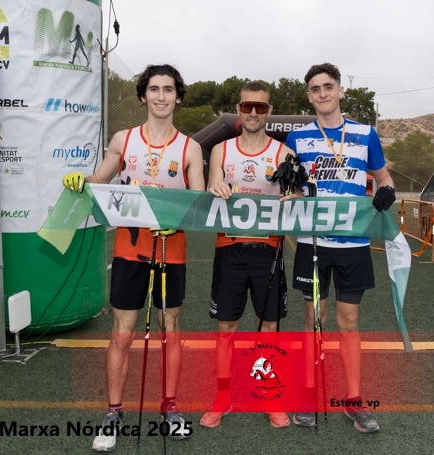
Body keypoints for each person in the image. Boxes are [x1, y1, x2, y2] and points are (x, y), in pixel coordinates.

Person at [62, 64, 205, 451]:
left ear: (178, 96)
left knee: (169, 328)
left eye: (169, 90)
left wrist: (174, 221)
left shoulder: (190, 147)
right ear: (143, 96)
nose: (161, 96)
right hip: (130, 248)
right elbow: (100, 179)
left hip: (171, 249)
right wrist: (80, 180)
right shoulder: (124, 139)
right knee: (122, 333)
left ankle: (171, 408)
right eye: (154, 89)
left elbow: (199, 205)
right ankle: (113, 412)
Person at [284, 63, 396, 433]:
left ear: (340, 90)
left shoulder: (366, 133)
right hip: (312, 242)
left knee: (349, 321)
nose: (322, 94)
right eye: (315, 89)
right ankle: (308, 394)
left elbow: (383, 177)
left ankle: (352, 399)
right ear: (309, 96)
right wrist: (291, 188)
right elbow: (290, 190)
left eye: (328, 86)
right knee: (313, 320)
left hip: (354, 243)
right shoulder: (297, 139)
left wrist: (387, 191)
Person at [200, 81, 294, 429]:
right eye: (246, 106)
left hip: (268, 249)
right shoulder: (222, 150)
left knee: (269, 326)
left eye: (260, 107)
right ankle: (223, 396)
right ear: (239, 109)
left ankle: (268, 393)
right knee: (227, 326)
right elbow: (211, 189)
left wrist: (294, 194)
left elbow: (296, 196)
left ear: (269, 111)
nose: (253, 112)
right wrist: (215, 187)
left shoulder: (283, 153)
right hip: (230, 248)